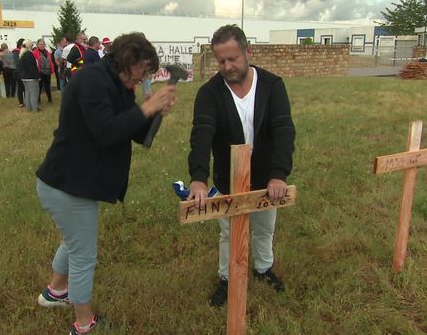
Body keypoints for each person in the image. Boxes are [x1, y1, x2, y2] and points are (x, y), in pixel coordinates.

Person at [35, 32, 176, 335]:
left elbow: (138, 135)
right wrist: (146, 109)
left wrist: (155, 113)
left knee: (74, 240)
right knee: (84, 253)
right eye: (142, 71)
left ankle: (54, 292)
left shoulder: (118, 83)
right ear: (128, 61)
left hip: (76, 182)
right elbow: (106, 132)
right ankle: (84, 324)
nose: (142, 79)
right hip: (66, 184)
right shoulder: (92, 81)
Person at [187, 24, 295, 307]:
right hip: (228, 178)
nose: (227, 66)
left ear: (248, 51)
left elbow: (284, 130)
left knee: (264, 228)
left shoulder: (273, 86)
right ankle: (226, 277)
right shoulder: (209, 94)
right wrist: (198, 178)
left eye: (233, 58)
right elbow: (202, 134)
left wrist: (278, 175)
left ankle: (263, 269)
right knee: (228, 232)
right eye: (221, 60)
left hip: (265, 178)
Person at [17, 39, 40, 112]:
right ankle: (34, 108)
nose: (32, 46)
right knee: (34, 93)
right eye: (32, 45)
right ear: (29, 45)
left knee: (27, 93)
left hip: (24, 77)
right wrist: (37, 76)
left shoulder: (22, 54)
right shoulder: (29, 55)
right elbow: (32, 67)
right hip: (31, 77)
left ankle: (29, 108)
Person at [32, 39, 53, 104]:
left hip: (47, 71)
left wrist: (51, 69)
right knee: (39, 87)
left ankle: (50, 99)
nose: (43, 45)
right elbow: (34, 63)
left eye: (43, 44)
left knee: (47, 86)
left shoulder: (47, 52)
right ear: (37, 45)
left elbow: (50, 61)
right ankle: (38, 100)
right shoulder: (35, 52)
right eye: (41, 44)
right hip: (40, 72)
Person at [13, 38, 26, 107]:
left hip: (24, 72)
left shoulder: (23, 51)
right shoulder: (16, 52)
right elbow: (16, 62)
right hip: (19, 72)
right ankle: (21, 102)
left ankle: (26, 101)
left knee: (25, 88)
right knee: (20, 88)